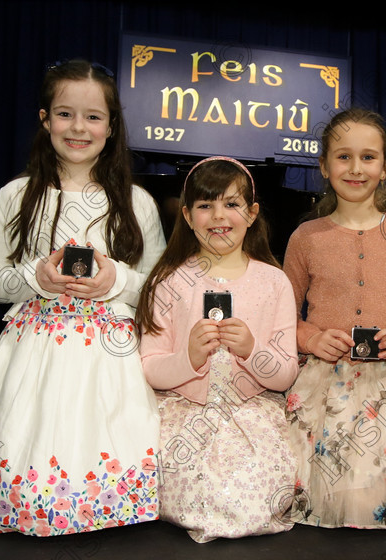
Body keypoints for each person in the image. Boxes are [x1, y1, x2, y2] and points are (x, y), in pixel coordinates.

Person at [0, 59, 166, 536]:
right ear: (45, 119)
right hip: (33, 349)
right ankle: (24, 503)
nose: (79, 127)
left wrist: (117, 283)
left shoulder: (138, 202)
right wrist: (35, 278)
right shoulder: (16, 196)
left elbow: (160, 289)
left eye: (93, 116)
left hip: (112, 357)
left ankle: (108, 504)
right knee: (33, 430)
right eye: (65, 114)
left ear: (111, 126)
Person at [282, 108, 386, 529]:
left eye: (369, 157)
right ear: (323, 165)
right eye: (343, 157)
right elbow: (282, 314)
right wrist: (311, 337)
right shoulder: (305, 237)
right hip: (325, 383)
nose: (356, 168)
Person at [136, 156, 299, 543]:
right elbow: (150, 367)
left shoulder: (274, 282)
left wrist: (252, 351)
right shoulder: (168, 282)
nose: (218, 216)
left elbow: (286, 373)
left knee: (260, 491)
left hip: (251, 416)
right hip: (185, 415)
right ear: (188, 216)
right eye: (205, 206)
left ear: (252, 213)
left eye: (231, 204)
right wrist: (188, 358)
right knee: (185, 481)